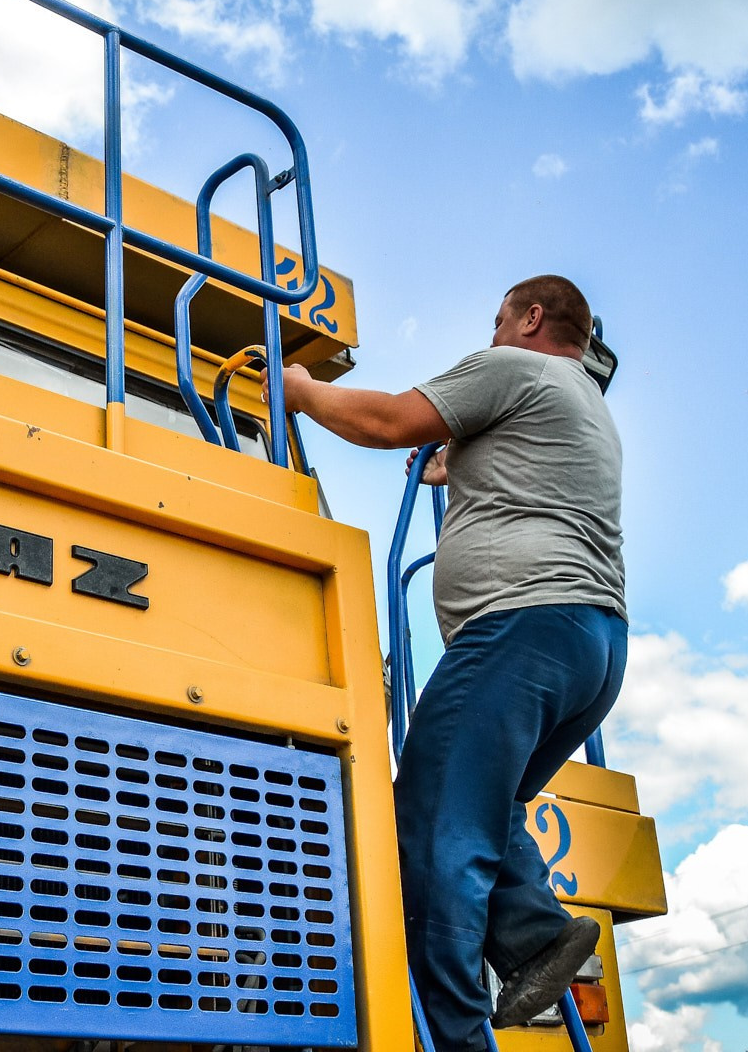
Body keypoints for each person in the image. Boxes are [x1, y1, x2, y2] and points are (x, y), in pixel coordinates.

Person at [272, 274, 627, 1052]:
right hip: (592, 646)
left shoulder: (517, 368)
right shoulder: (585, 404)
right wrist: (456, 466)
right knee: (483, 805)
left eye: (501, 320)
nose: (494, 334)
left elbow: (392, 419)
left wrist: (299, 391)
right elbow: (521, 477)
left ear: (532, 318)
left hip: (519, 632)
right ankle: (536, 938)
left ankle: (456, 1037)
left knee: (433, 829)